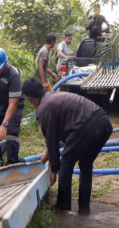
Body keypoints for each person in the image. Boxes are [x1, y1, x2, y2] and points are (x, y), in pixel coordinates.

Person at [21, 77, 113, 216]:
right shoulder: (52, 97)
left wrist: (53, 169)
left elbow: (52, 139)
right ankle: (84, 209)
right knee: (85, 164)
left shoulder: (43, 109)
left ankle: (63, 207)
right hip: (104, 123)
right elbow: (54, 136)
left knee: (66, 163)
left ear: (30, 98)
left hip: (87, 125)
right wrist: (47, 154)